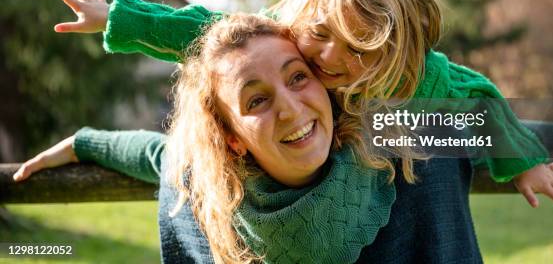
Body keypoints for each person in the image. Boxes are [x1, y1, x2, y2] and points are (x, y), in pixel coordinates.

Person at [44, 0, 553, 210]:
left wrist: (523, 164)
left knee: (536, 135)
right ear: (303, 16)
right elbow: (203, 29)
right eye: (321, 34)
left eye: (357, 50)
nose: (327, 59)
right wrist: (119, 17)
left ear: (391, 52)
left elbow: (483, 102)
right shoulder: (284, 40)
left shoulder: (422, 82)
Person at [14, 14, 482, 263]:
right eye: (255, 101)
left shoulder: (395, 136)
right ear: (232, 139)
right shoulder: (212, 185)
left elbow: (484, 124)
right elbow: (161, 155)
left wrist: (532, 157)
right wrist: (83, 144)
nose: (291, 108)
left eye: (298, 77)